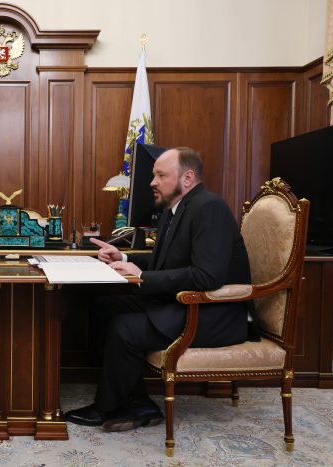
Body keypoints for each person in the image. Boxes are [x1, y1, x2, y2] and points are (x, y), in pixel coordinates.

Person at [65, 147, 252, 432]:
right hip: (183, 302)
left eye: (161, 175)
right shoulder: (174, 209)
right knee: (103, 307)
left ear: (187, 178)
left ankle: (111, 407)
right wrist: (122, 257)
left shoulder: (209, 208)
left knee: (124, 328)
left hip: (213, 313)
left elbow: (207, 277)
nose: (152, 182)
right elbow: (164, 262)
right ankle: (137, 402)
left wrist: (142, 276)